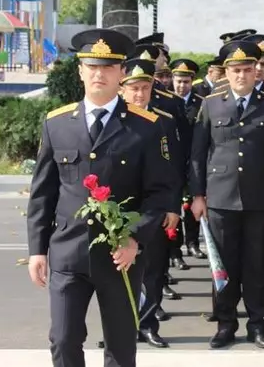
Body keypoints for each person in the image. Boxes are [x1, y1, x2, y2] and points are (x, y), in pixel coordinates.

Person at [26, 28, 174, 367]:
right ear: (80, 70)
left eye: (108, 67)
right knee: (63, 341)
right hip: (68, 253)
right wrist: (37, 249)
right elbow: (43, 193)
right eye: (91, 66)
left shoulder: (146, 127)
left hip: (119, 255)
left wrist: (136, 239)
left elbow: (160, 193)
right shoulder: (57, 124)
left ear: (121, 73)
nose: (99, 74)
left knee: (121, 348)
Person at [188, 40, 264, 350]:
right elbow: (197, 154)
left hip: (260, 200)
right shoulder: (212, 103)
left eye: (248, 69)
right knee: (223, 266)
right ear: (226, 72)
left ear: (257, 71)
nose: (242, 75)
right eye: (236, 70)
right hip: (220, 199)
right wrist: (198, 195)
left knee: (258, 265)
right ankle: (225, 323)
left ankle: (257, 324)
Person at [117, 57, 185, 348]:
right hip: (117, 210)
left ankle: (148, 324)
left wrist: (173, 207)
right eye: (133, 89)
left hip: (154, 208)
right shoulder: (111, 120)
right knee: (117, 273)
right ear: (122, 90)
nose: (139, 94)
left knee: (153, 268)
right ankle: (119, 328)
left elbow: (174, 168)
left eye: (145, 88)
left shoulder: (163, 122)